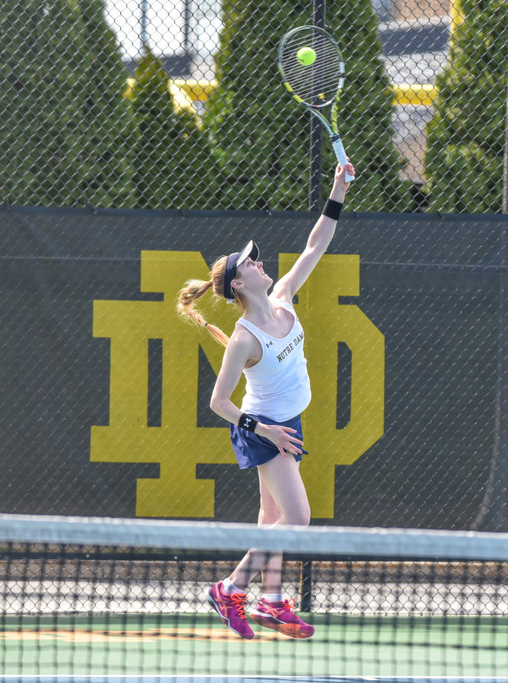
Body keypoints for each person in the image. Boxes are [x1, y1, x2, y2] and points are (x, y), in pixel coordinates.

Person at [175, 161, 355, 639]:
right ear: (238, 284)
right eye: (250, 263)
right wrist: (267, 432)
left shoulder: (284, 297)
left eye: (255, 259)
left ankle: (272, 601)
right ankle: (229, 588)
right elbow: (218, 402)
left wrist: (337, 191)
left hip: (286, 422)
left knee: (270, 518)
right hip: (263, 429)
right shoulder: (244, 338)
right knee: (297, 518)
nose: (260, 263)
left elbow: (317, 243)